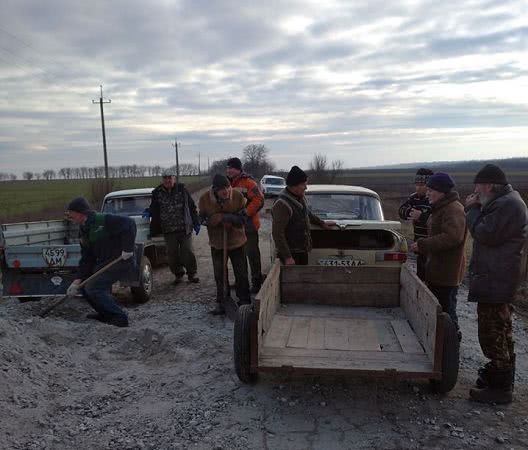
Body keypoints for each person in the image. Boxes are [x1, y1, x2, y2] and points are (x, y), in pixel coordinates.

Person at [465, 164, 528, 404]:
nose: (475, 190)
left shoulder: (507, 204)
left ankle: (500, 389)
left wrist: (471, 210)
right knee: (503, 331)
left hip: (497, 280)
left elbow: (485, 234)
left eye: (478, 186)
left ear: (489, 185)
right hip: (500, 278)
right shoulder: (506, 202)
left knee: (491, 333)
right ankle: (501, 381)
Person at [409, 173, 466, 338]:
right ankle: (440, 345)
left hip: (448, 273)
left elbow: (452, 237)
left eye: (431, 190)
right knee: (438, 310)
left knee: (447, 314)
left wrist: (423, 245)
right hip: (438, 270)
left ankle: (451, 348)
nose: (427, 193)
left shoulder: (453, 209)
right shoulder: (441, 208)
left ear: (442, 191)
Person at [65, 197, 136, 328]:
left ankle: (120, 318)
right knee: (84, 287)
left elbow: (129, 223)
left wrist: (127, 249)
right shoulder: (83, 230)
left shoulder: (103, 220)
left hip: (121, 261)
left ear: (81, 212)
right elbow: (87, 258)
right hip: (104, 263)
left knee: (94, 287)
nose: (69, 216)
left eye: (71, 213)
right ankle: (105, 314)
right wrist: (77, 280)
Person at [199, 174, 251, 315]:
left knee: (241, 273)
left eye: (228, 187)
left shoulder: (238, 197)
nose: (227, 191)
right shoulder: (205, 199)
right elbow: (201, 218)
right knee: (219, 273)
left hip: (237, 242)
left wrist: (226, 217)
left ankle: (245, 301)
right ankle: (222, 302)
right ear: (215, 190)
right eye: (223, 190)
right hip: (217, 243)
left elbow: (244, 219)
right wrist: (211, 221)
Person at [272, 166, 333, 265]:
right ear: (294, 185)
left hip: (302, 251)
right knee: (293, 280)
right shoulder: (282, 204)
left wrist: (322, 223)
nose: (306, 187)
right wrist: (288, 257)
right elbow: (277, 233)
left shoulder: (300, 197)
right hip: (292, 254)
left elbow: (307, 213)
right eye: (303, 184)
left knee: (303, 279)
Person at [148, 170, 201, 285]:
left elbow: (192, 207)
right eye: (165, 178)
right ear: (162, 180)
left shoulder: (182, 190)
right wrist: (149, 211)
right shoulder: (157, 193)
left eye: (170, 178)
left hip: (184, 228)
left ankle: (192, 274)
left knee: (187, 251)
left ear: (174, 179)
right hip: (168, 230)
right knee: (172, 254)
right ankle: (178, 274)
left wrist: (196, 222)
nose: (167, 180)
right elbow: (154, 208)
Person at [226, 157, 265, 293]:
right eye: (228, 167)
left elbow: (259, 200)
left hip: (248, 225)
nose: (229, 170)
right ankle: (241, 282)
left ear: (238, 169)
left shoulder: (249, 183)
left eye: (232, 168)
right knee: (238, 257)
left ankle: (256, 282)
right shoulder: (227, 184)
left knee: (252, 255)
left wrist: (246, 213)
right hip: (234, 227)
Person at [399, 168, 434, 280]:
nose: (418, 187)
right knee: (421, 278)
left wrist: (421, 216)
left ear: (429, 185)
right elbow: (401, 210)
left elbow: (437, 220)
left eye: (422, 184)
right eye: (417, 184)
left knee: (432, 279)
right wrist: (409, 212)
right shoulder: (414, 198)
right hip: (419, 244)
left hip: (432, 245)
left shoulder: (434, 199)